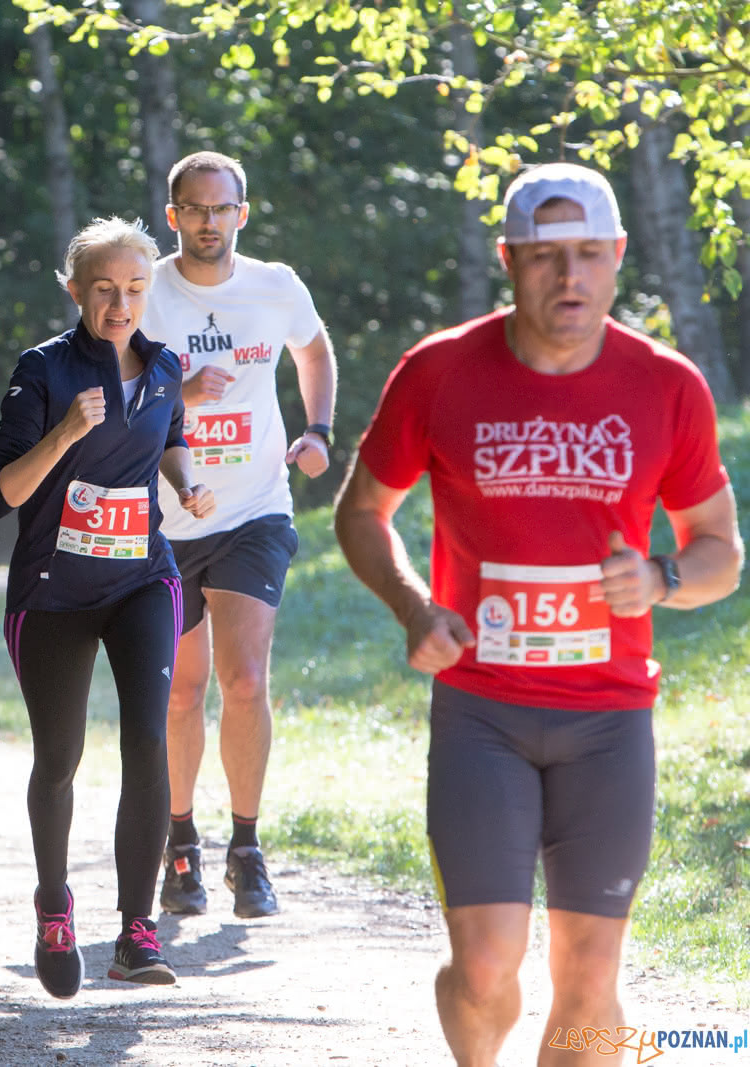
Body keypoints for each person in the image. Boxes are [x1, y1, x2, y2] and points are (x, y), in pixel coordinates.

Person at [332, 162, 742, 1066]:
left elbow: (721, 550)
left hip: (609, 718)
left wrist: (665, 578)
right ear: (509, 258)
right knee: (485, 968)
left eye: (591, 255)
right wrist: (413, 607)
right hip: (483, 711)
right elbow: (362, 511)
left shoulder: (665, 385)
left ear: (619, 257)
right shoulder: (439, 371)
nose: (571, 277)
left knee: (591, 979)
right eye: (548, 257)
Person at [0, 216, 215, 1000]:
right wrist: (62, 434)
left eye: (137, 288)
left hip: (141, 576)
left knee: (148, 738)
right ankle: (55, 906)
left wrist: (184, 481)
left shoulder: (164, 364)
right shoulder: (43, 370)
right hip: (54, 591)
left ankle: (135, 930)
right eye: (106, 289)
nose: (122, 304)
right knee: (61, 756)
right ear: (76, 289)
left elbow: (171, 433)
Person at [140, 151, 337, 919]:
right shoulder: (145, 289)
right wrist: (176, 391)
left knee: (246, 678)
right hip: (164, 516)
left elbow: (313, 348)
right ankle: (180, 839)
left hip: (255, 506)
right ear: (173, 216)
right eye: (194, 209)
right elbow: (108, 386)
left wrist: (318, 429)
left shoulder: (276, 286)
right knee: (183, 688)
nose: (209, 222)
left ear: (242, 215)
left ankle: (247, 847)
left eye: (222, 209)